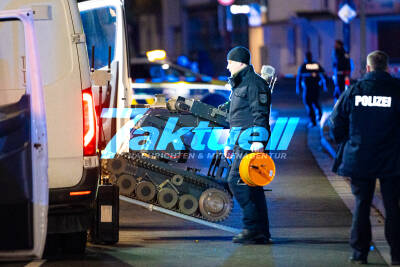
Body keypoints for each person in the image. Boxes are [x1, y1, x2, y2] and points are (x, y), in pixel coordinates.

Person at [330, 50, 400, 265]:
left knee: (362, 204)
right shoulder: (397, 91)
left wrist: (347, 142)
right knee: (393, 206)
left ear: (368, 68)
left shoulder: (354, 91)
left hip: (359, 157)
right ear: (387, 68)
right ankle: (397, 255)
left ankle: (359, 253)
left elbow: (336, 122)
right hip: (392, 159)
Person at [223, 46, 272, 244]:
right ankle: (261, 232)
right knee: (253, 187)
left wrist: (258, 141)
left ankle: (252, 228)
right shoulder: (240, 84)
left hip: (250, 143)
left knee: (236, 181)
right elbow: (235, 117)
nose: (227, 66)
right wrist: (229, 143)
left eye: (230, 62)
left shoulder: (254, 83)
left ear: (240, 62)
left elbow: (259, 112)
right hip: (241, 142)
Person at [296, 51, 327, 127]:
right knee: (316, 102)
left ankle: (313, 121)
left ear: (306, 57)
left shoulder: (304, 66)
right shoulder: (316, 65)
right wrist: (323, 84)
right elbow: (323, 74)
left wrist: (298, 87)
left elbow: (299, 77)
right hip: (316, 87)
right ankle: (319, 116)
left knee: (308, 103)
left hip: (308, 88)